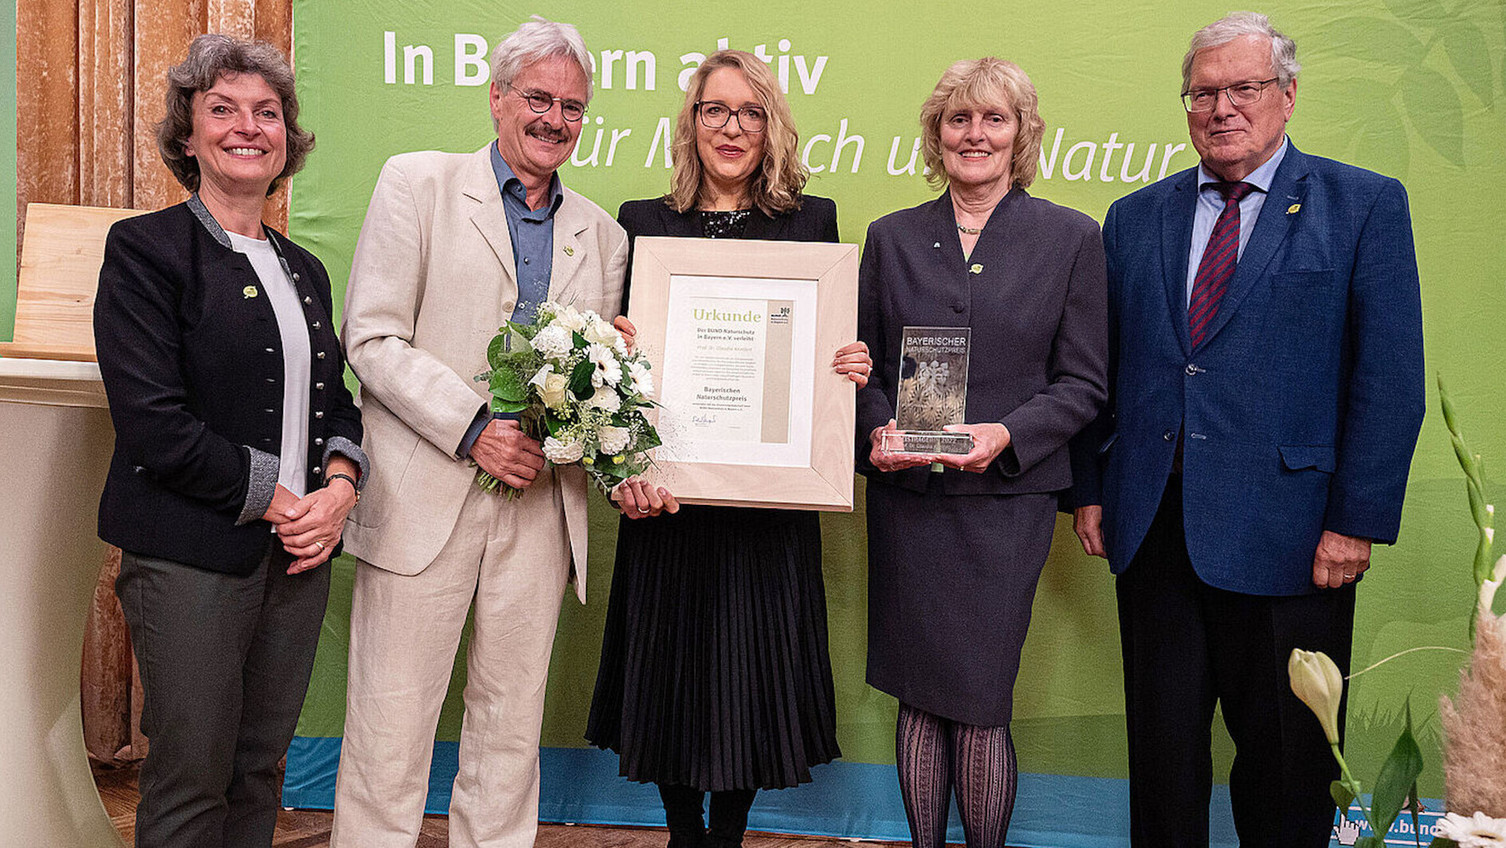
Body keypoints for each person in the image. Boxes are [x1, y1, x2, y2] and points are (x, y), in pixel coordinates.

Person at [1067, 12, 1425, 847]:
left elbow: (1390, 376)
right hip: (1152, 528)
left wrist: (1356, 520)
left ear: (1287, 95)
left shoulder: (1363, 203)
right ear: (1186, 104)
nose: (1223, 107)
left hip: (1295, 538)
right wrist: (1090, 489)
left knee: (1287, 765)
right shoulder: (1134, 218)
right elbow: (1099, 367)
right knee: (1163, 764)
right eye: (1204, 92)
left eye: (1244, 88)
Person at [330, 17, 627, 848]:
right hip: (424, 492)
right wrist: (472, 429)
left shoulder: (602, 234)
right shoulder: (416, 184)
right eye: (538, 98)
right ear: (497, 97)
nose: (554, 119)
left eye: (572, 107)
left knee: (507, 732)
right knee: (389, 730)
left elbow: (592, 386)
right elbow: (372, 336)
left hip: (540, 506)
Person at [584, 49, 872, 848]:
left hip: (769, 495)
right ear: (692, 123)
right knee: (673, 664)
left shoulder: (812, 222)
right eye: (715, 110)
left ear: (770, 124)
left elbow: (828, 352)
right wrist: (619, 341)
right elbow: (610, 370)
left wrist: (849, 364)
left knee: (753, 669)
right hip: (669, 495)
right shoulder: (642, 221)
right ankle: (682, 831)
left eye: (749, 112)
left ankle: (729, 835)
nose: (732, 127)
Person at [92, 34, 365, 848]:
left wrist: (341, 489)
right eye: (223, 110)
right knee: (189, 784)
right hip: (188, 558)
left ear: (287, 138)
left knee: (258, 775)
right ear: (188, 136)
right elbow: (154, 423)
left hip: (296, 559)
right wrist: (284, 499)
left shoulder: (304, 268)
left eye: (268, 112)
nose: (249, 126)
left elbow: (335, 405)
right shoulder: (145, 251)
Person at [856, 58, 1107, 847]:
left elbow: (1085, 384)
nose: (975, 134)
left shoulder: (1072, 238)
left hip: (1006, 504)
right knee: (918, 698)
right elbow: (860, 364)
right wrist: (876, 432)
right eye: (959, 120)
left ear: (1022, 133)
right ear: (936, 135)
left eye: (994, 119)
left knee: (980, 698)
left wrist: (1007, 436)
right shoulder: (890, 238)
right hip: (910, 501)